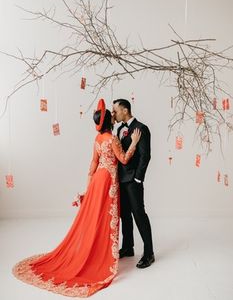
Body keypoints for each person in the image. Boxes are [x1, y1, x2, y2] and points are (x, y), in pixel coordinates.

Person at [12, 99, 141, 297]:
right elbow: (123, 159)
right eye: (112, 115)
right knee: (105, 218)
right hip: (108, 182)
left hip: (98, 178)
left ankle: (100, 250)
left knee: (96, 216)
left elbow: (93, 164)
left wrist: (87, 190)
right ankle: (102, 255)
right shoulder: (111, 139)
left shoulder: (98, 139)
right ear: (109, 121)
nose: (114, 116)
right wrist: (133, 142)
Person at [112, 98, 155, 269]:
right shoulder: (120, 129)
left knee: (139, 214)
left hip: (133, 181)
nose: (113, 113)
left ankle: (149, 253)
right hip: (120, 180)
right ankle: (128, 247)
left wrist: (138, 178)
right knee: (124, 215)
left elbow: (145, 156)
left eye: (115, 110)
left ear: (125, 110)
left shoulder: (141, 128)